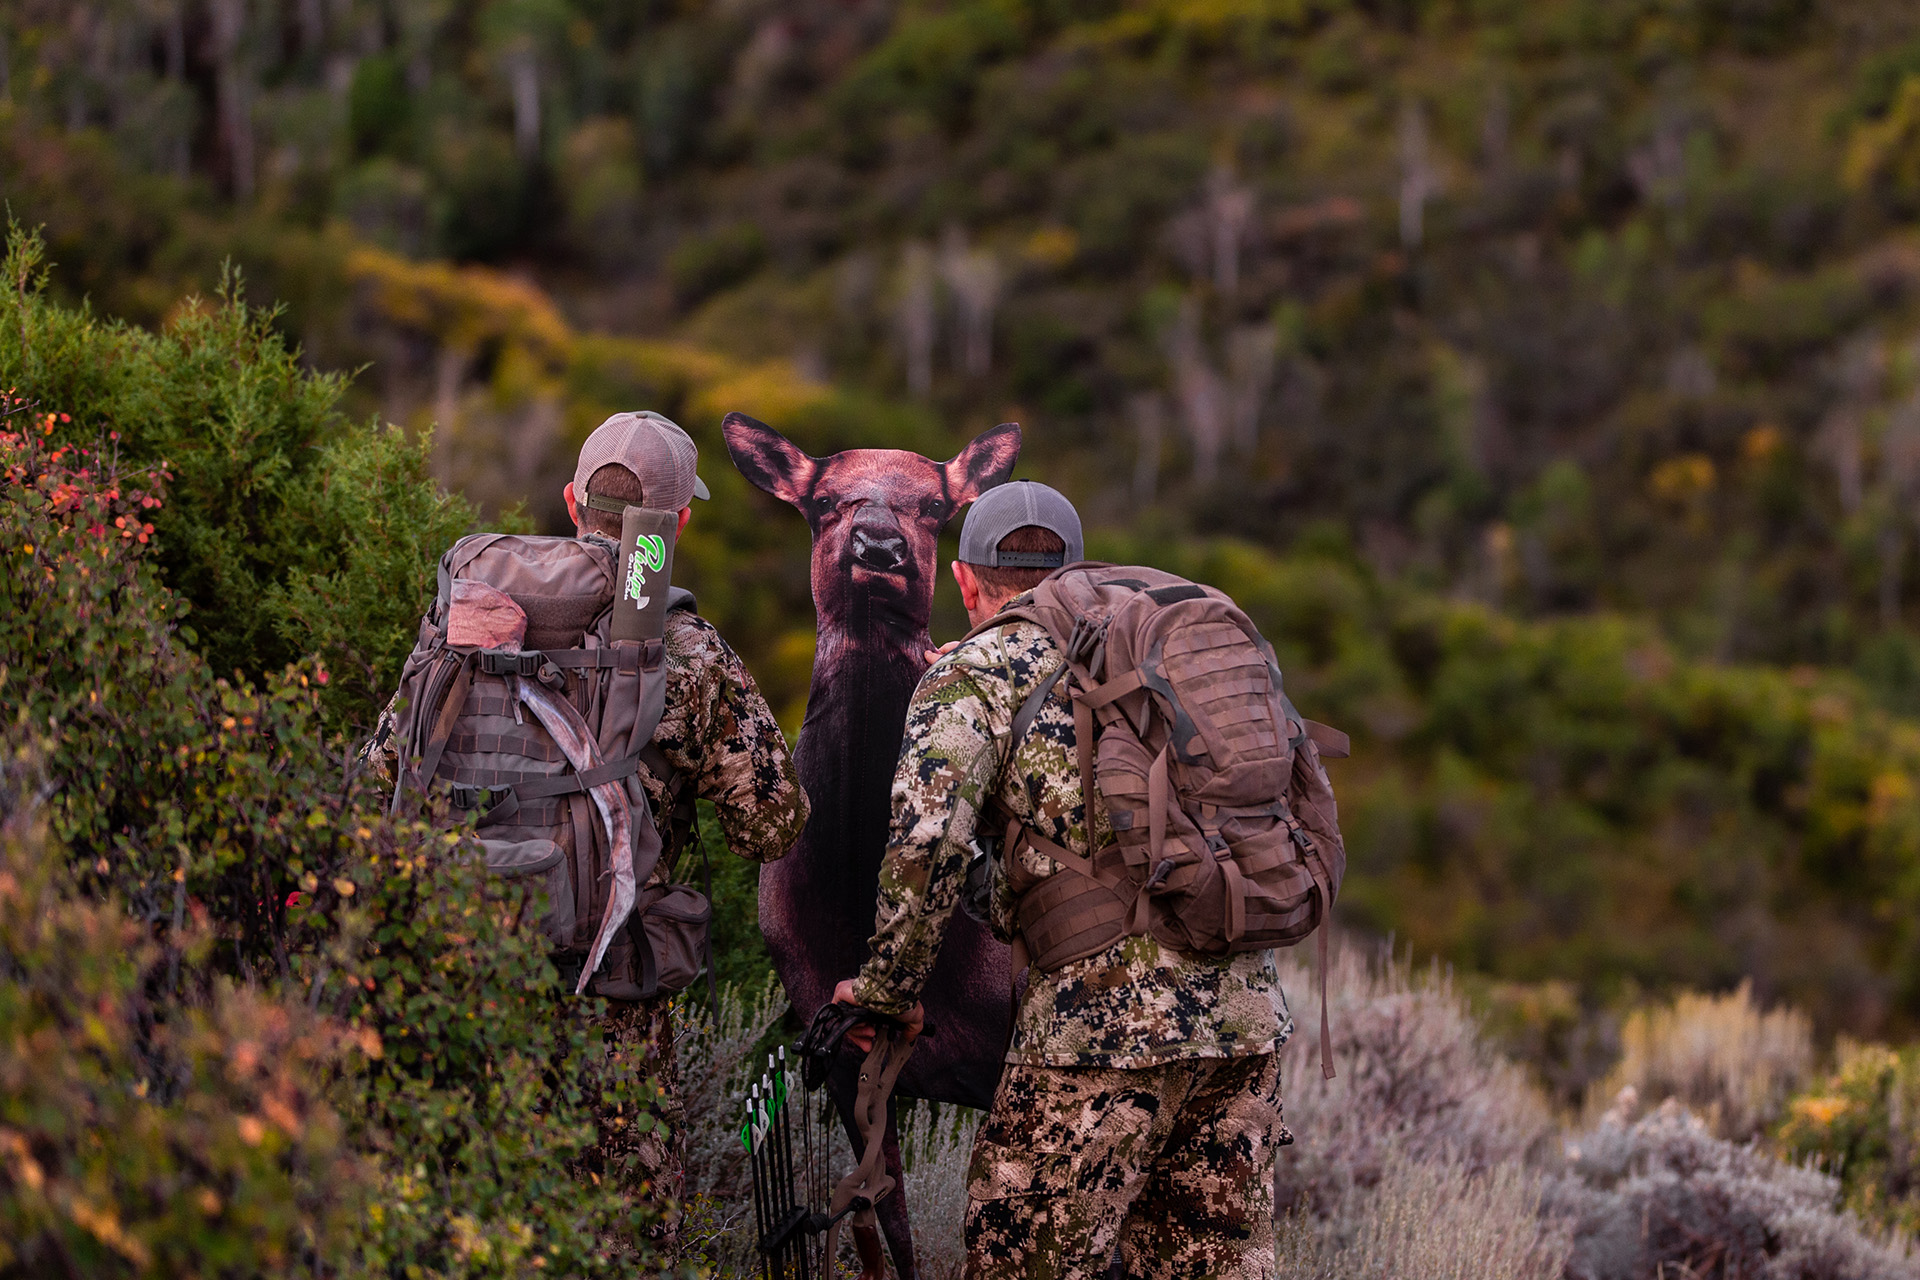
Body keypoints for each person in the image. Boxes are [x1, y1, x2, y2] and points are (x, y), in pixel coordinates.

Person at [366, 410, 809, 1257]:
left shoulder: (473, 623)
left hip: (464, 982)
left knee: (459, 1224)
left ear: (572, 500)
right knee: (622, 1239)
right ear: (677, 525)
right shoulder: (685, 650)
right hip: (612, 995)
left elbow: (381, 774)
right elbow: (773, 824)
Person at [832, 481, 1293, 1280]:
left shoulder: (973, 676)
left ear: (965, 581)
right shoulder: (1156, 649)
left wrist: (888, 989)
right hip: (1243, 1025)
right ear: (1078, 571)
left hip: (1098, 1033)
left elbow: (927, 844)